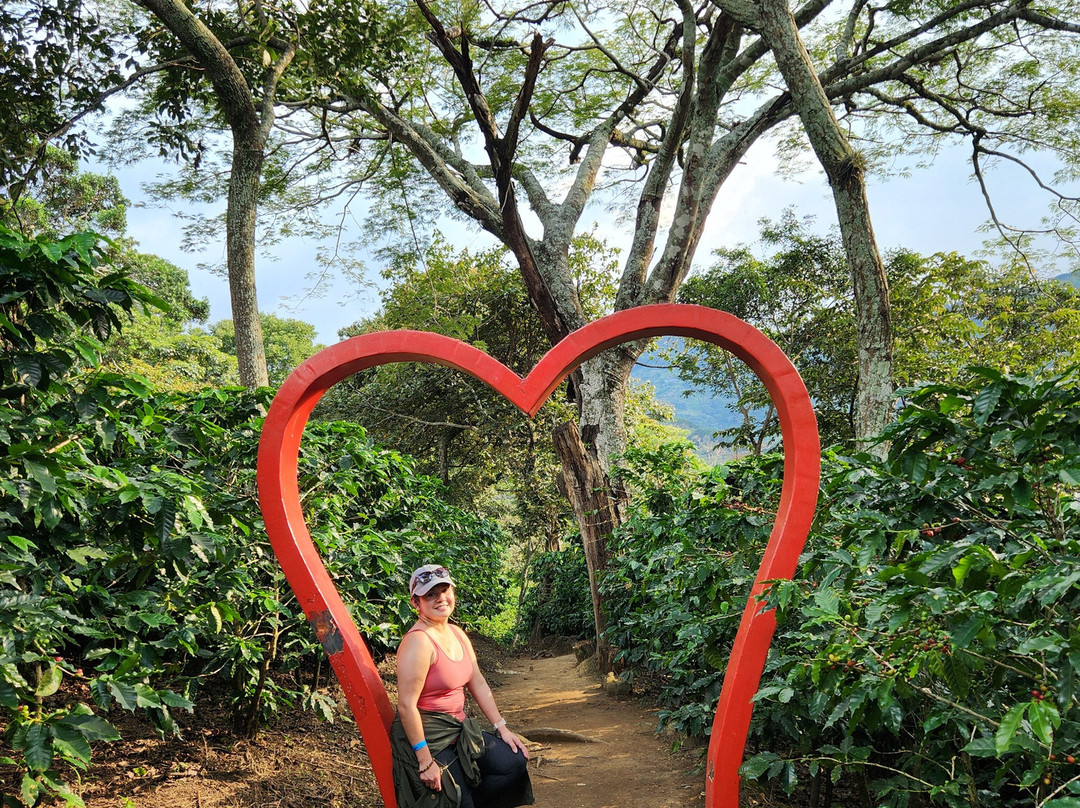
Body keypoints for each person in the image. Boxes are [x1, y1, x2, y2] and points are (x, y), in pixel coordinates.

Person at [390, 564, 534, 808]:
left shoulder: (457, 634)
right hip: (429, 736)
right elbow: (406, 706)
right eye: (430, 595)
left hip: (458, 729)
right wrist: (424, 760)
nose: (441, 598)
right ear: (416, 603)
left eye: (445, 590)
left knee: (513, 762)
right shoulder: (418, 643)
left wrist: (502, 728)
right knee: (458, 797)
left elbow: (477, 681)